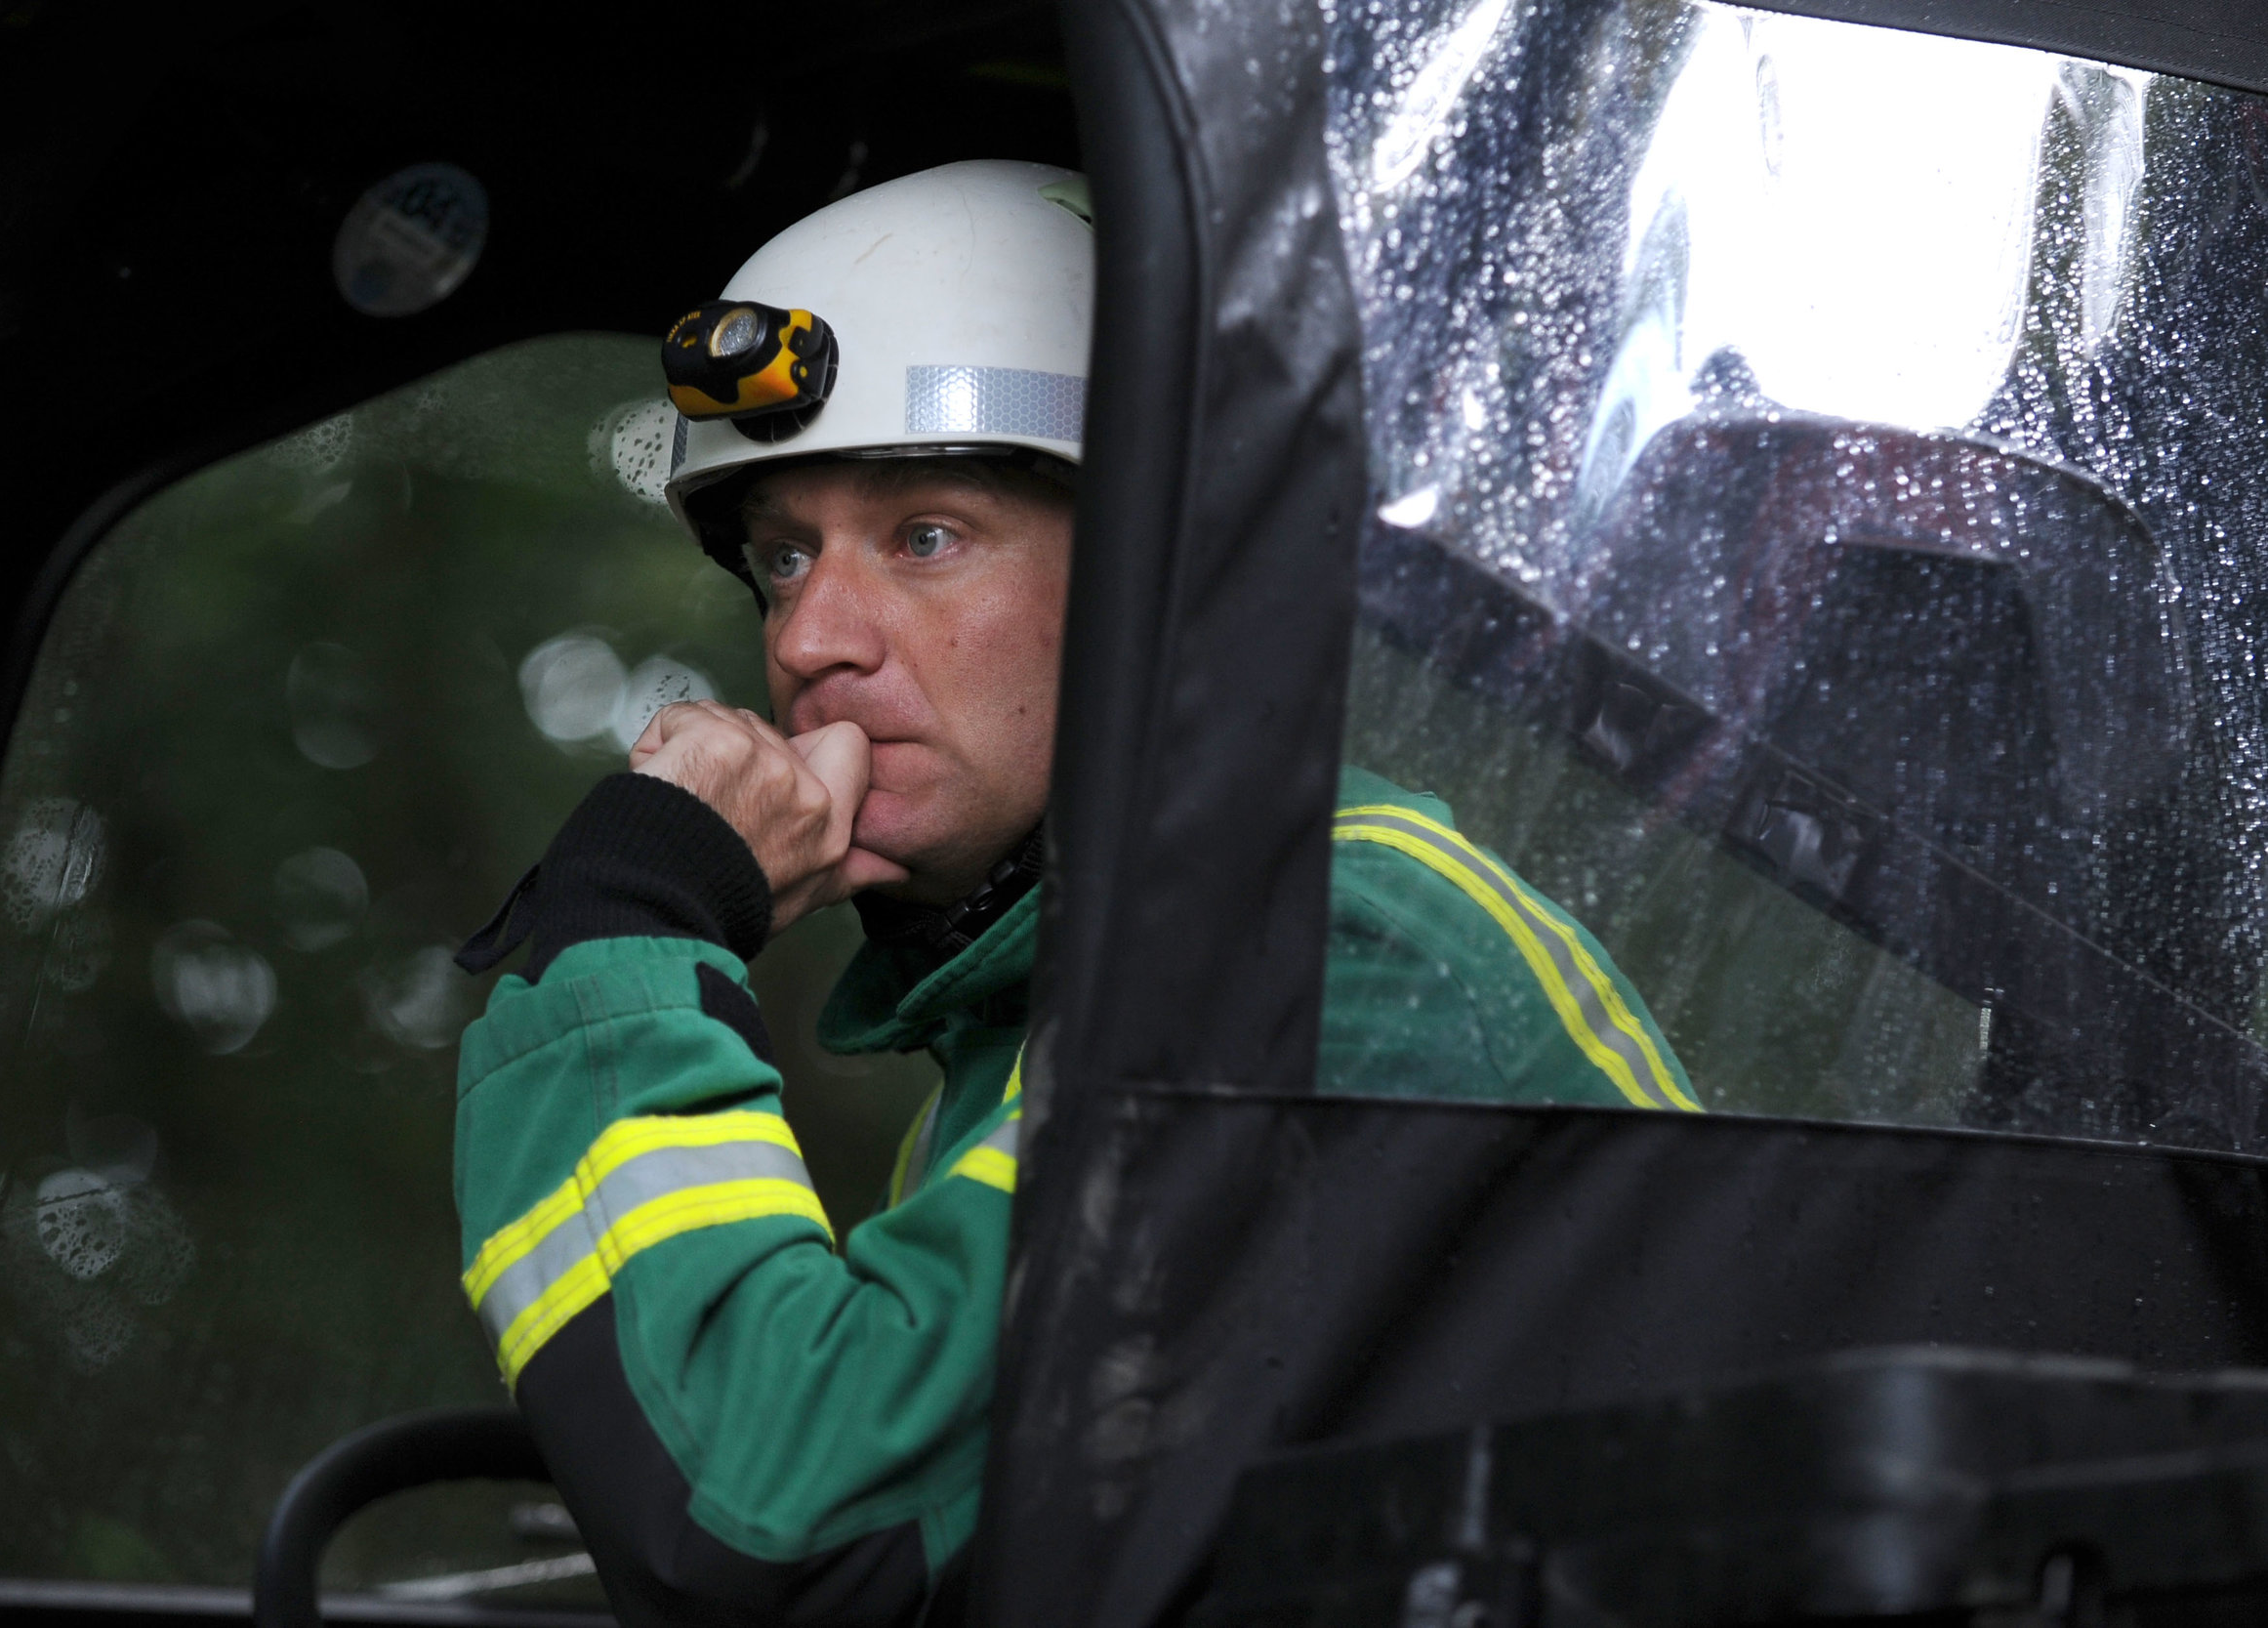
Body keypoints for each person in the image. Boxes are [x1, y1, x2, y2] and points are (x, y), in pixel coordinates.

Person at [450, 160, 1697, 1626]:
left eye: (927, 536)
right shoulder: (1034, 1042)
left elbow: (775, 1531)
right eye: (784, 559)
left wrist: (629, 927)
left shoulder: (1334, 955)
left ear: (1164, 582)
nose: (812, 641)